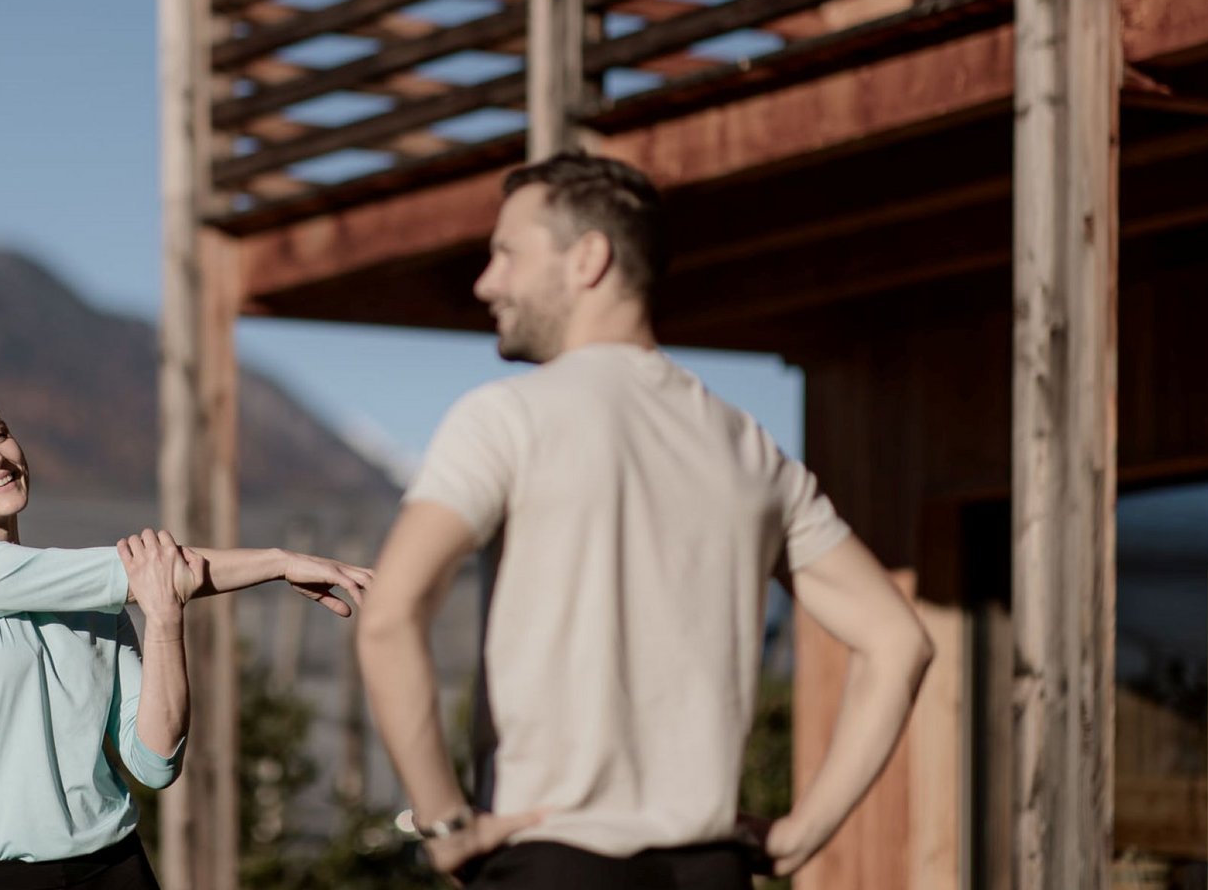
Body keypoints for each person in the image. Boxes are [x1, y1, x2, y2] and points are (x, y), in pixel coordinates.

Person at [355, 154, 934, 888]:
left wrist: (443, 823)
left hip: (552, 860)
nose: (486, 282)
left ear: (588, 257)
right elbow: (897, 640)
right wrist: (802, 832)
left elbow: (389, 615)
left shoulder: (507, 419)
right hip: (711, 870)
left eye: (506, 253)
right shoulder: (746, 446)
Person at [0, 380, 372, 890]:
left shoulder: (92, 596)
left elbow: (154, 761)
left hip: (116, 869)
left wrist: (164, 619)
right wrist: (278, 562)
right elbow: (128, 573)